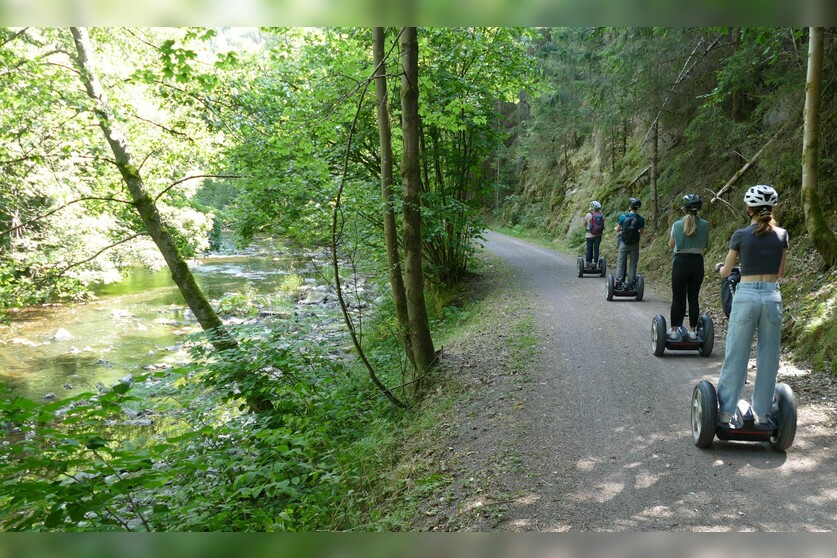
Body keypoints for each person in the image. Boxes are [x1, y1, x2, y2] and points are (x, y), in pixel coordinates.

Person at [715, 184, 788, 427]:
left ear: (749, 209)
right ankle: (763, 414)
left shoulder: (740, 235)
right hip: (771, 297)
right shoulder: (782, 235)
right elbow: (780, 272)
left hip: (746, 296)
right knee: (769, 356)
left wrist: (723, 270)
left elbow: (726, 271)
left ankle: (725, 413)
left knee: (737, 353)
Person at [667, 194, 710, 340]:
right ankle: (692, 331)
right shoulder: (705, 224)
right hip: (697, 262)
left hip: (680, 262)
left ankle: (673, 331)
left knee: (678, 298)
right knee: (693, 298)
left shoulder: (677, 225)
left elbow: (671, 245)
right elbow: (707, 245)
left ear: (684, 208)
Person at [614, 197, 645, 288]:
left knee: (621, 263)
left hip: (624, 243)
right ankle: (631, 283)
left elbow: (618, 229)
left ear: (630, 207)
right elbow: (642, 232)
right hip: (634, 244)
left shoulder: (623, 217)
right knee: (633, 264)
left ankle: (619, 283)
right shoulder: (640, 219)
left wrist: (617, 229)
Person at [583, 200, 604, 269]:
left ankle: (588, 264)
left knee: (589, 249)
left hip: (589, 235)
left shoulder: (588, 215)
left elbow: (584, 224)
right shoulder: (601, 215)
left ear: (592, 208)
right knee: (596, 249)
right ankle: (595, 264)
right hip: (598, 236)